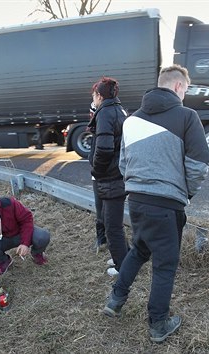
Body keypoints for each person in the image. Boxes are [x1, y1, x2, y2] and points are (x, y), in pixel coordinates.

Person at [103, 65, 209, 343]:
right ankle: (158, 324)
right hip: (166, 204)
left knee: (139, 249)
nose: (185, 95)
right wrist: (187, 194)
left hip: (136, 201)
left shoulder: (132, 120)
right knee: (165, 264)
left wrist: (140, 187)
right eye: (185, 89)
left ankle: (116, 299)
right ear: (177, 87)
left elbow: (123, 163)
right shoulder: (187, 116)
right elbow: (198, 165)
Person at [87, 77, 128, 277]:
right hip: (118, 174)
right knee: (114, 223)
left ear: (100, 96)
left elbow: (103, 148)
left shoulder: (105, 113)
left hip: (110, 176)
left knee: (112, 227)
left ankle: (123, 267)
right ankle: (123, 256)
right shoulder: (119, 110)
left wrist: (97, 170)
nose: (93, 99)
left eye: (94, 95)